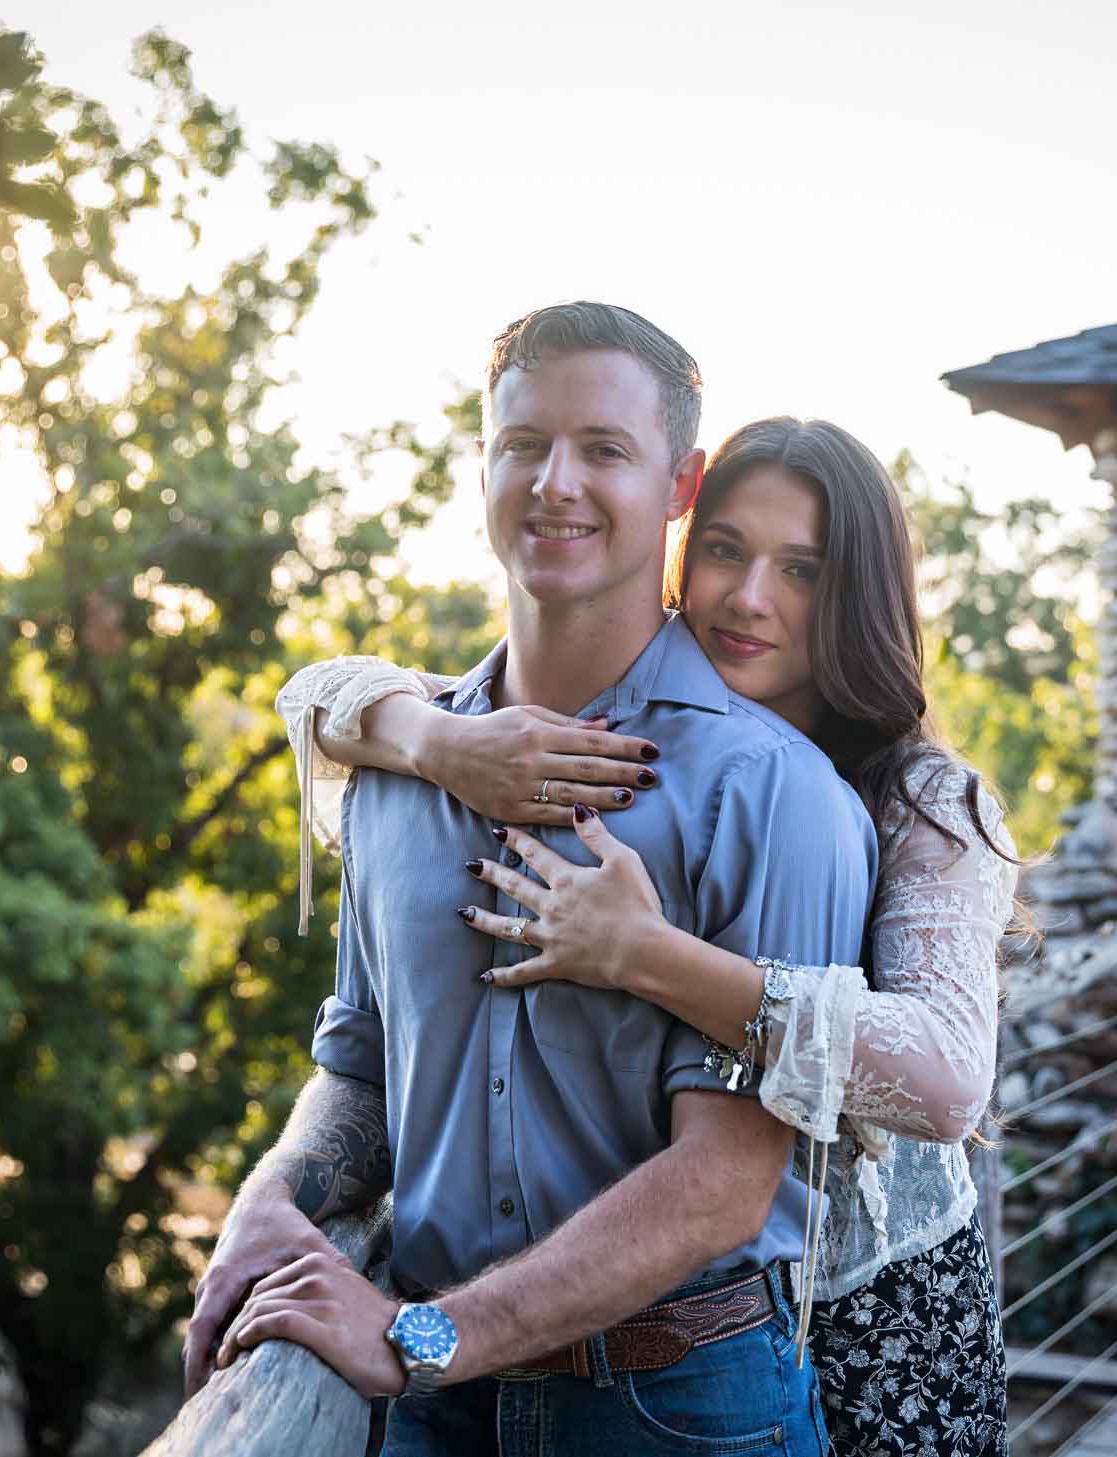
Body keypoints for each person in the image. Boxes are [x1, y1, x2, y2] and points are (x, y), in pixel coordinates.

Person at [184, 302, 875, 1457]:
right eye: (523, 445)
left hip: (677, 1411)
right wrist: (273, 1197)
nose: (555, 482)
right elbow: (358, 1062)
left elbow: (718, 1184)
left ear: (677, 484)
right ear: (483, 461)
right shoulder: (395, 774)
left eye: (603, 448)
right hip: (426, 1412)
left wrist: (422, 1335)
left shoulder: (772, 794)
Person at [287, 416, 1020, 1456]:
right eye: (723, 549)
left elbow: (945, 1079)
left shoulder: (922, 800)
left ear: (855, 593)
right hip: (620, 1320)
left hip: (867, 1310)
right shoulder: (645, 745)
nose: (746, 596)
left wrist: (649, 953)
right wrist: (435, 736)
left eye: (801, 569)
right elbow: (313, 693)